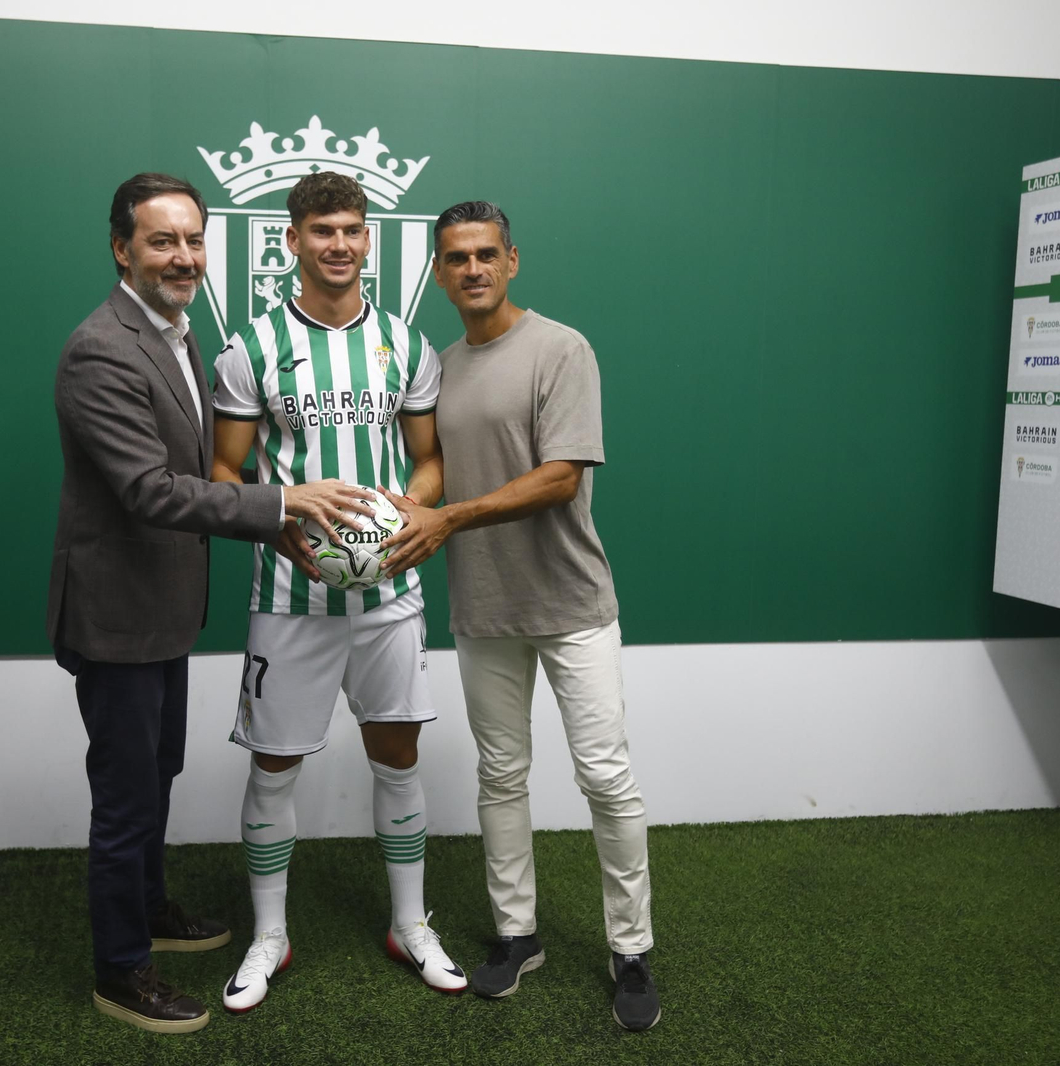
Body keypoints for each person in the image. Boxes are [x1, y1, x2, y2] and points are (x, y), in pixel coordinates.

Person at [47, 172, 368, 1034]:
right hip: (116, 614)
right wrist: (283, 505)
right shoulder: (101, 348)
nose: (183, 257)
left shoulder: (179, 334)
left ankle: (148, 908)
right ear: (122, 249)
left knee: (159, 772)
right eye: (162, 242)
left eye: (193, 241)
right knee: (123, 795)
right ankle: (121, 970)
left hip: (163, 608)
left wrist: (279, 520)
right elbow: (152, 491)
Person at [378, 201, 661, 1030]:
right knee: (500, 775)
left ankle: (632, 949)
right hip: (485, 607)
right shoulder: (437, 368)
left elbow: (560, 478)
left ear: (511, 261)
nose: (471, 269)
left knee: (606, 777)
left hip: (573, 604)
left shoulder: (561, 349)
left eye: (485, 255)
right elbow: (428, 469)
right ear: (437, 272)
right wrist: (404, 510)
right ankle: (516, 933)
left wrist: (448, 519)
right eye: (456, 258)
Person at [210, 171, 467, 1012]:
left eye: (354, 230)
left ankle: (408, 925)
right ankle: (270, 937)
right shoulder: (252, 347)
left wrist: (412, 509)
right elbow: (223, 470)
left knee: (397, 755)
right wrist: (275, 518)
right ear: (291, 240)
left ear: (368, 241)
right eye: (323, 230)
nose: (340, 244)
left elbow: (429, 459)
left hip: (387, 595)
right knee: (275, 764)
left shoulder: (404, 343)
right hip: (291, 597)